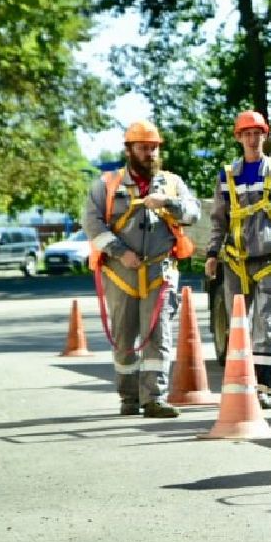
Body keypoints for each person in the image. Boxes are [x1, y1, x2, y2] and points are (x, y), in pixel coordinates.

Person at [82, 120, 201, 418]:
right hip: (120, 273)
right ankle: (129, 397)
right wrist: (121, 253)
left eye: (153, 148)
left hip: (159, 271)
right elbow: (92, 224)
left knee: (158, 334)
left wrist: (168, 203)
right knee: (124, 337)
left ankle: (154, 398)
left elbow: (193, 213)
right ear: (129, 150)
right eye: (143, 148)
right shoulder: (106, 184)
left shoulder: (172, 183)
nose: (149, 153)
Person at [204, 110, 271, 410]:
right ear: (238, 138)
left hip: (269, 259)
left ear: (265, 136)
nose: (252, 138)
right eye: (246, 134)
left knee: (266, 323)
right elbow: (218, 220)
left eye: (257, 133)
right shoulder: (227, 176)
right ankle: (239, 384)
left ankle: (263, 386)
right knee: (239, 326)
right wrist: (212, 254)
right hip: (235, 262)